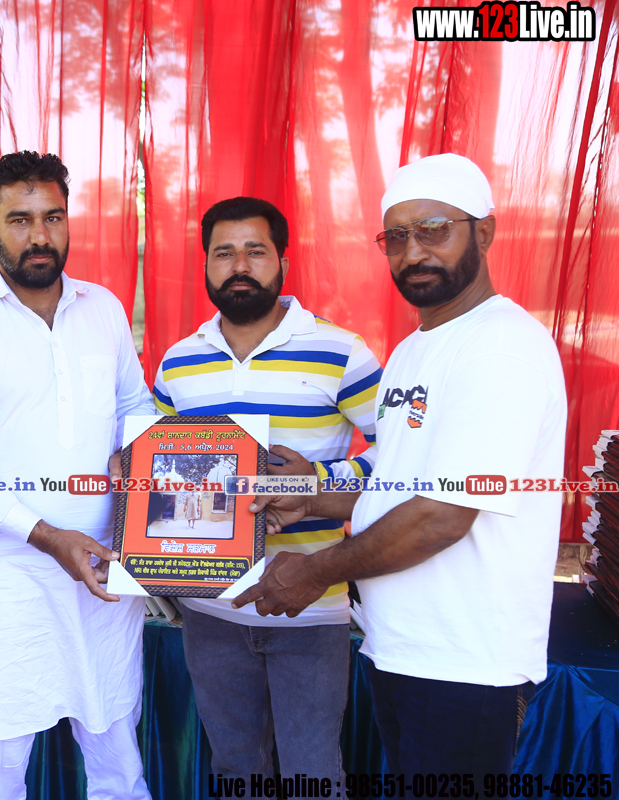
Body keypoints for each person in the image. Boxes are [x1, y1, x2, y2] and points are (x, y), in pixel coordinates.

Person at [234, 154, 567, 777]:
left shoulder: (500, 347)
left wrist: (315, 572)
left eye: (434, 230)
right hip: (402, 648)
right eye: (397, 237)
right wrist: (310, 497)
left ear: (484, 232)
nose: (414, 252)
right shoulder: (417, 347)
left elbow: (442, 515)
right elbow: (397, 484)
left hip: (465, 662)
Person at [0, 151, 156, 800]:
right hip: (2, 574)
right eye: (20, 220)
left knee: (117, 752)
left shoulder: (103, 308)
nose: (39, 235)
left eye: (52, 217)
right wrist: (49, 536)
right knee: (1, 763)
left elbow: (134, 407)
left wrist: (136, 453)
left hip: (106, 566)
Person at [152, 196, 382, 780]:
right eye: (223, 253)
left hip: (310, 604)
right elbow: (158, 471)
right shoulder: (178, 363)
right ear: (206, 264)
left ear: (283, 261)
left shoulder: (342, 352)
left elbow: (402, 457)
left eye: (255, 251)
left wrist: (316, 482)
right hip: (209, 608)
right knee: (236, 769)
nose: (239, 266)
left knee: (313, 773)